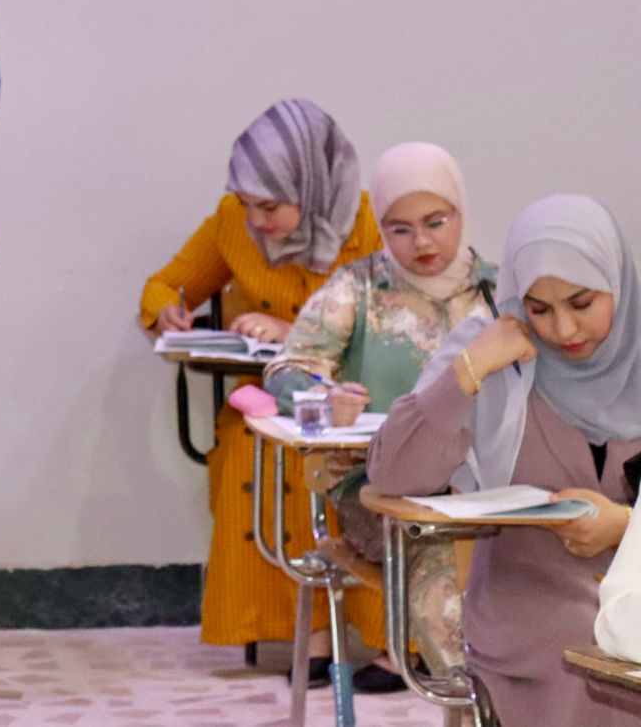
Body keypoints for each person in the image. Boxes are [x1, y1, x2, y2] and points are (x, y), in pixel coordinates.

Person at [368, 194, 641, 725]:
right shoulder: (492, 354)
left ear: (618, 283)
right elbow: (392, 474)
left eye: (583, 303)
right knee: (585, 647)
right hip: (533, 612)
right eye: (539, 309)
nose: (564, 330)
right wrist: (468, 371)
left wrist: (626, 527)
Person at [139, 99, 385, 679]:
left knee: (328, 459)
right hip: (272, 402)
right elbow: (164, 285)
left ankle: (381, 638)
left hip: (359, 399)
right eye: (248, 203)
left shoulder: (369, 223)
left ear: (311, 185)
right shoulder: (234, 222)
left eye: (269, 206)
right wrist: (169, 310)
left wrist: (296, 334)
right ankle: (312, 638)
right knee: (259, 447)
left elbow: (394, 324)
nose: (256, 220)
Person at [263, 142, 492, 685]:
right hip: (379, 489)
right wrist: (325, 395)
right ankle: (477, 698)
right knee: (440, 573)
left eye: (436, 222)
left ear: (460, 211)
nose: (422, 243)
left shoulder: (497, 291)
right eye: (400, 229)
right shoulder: (359, 287)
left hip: (483, 487)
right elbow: (285, 369)